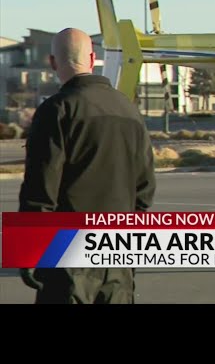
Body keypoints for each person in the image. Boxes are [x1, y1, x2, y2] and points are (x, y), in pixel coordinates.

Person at [18, 28, 156, 304]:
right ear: (93, 58)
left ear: (53, 63)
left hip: (68, 256)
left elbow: (42, 190)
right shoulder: (128, 110)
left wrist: (31, 252)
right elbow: (144, 190)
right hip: (117, 254)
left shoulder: (58, 111)